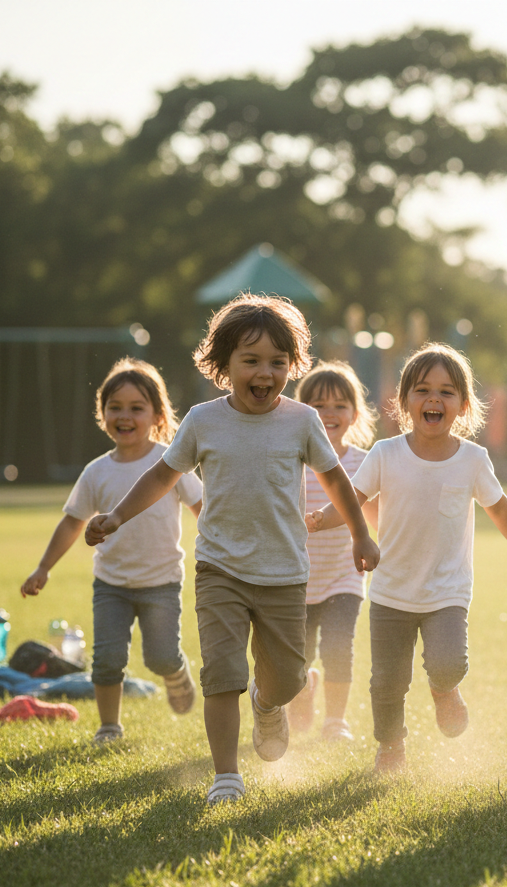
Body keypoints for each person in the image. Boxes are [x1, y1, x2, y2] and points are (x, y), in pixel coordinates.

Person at [85, 295, 378, 804]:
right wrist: (115, 516)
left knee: (287, 678)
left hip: (285, 573)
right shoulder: (203, 421)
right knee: (223, 672)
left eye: (278, 362)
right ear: (223, 366)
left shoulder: (302, 420)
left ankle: (269, 705)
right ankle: (226, 776)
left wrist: (360, 533)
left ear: (292, 365)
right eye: (251, 361)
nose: (265, 372)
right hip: (219, 568)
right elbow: (161, 475)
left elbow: (336, 480)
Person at [307, 343, 507, 772]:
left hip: (447, 591)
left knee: (449, 661)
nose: (434, 399)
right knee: (386, 682)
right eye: (422, 390)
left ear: (462, 406)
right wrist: (317, 520)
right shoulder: (385, 454)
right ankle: (391, 745)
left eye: (447, 391)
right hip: (390, 592)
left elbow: (501, 510)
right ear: (404, 403)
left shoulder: (473, 460)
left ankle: (444, 690)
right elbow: (351, 499)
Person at [21, 357, 203, 744]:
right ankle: (109, 725)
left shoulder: (171, 461)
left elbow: (203, 507)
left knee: (161, 657)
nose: (124, 415)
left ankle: (176, 675)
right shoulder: (96, 472)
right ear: (101, 414)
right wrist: (43, 567)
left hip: (161, 583)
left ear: (157, 414)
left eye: (136, 408)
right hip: (111, 585)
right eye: (114, 407)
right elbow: (72, 521)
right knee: (107, 660)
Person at [288, 360, 379, 742]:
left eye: (339, 405)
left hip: (345, 574)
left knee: (340, 646)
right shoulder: (292, 458)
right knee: (298, 656)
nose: (329, 413)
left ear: (355, 413)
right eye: (318, 405)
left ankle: (336, 720)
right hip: (296, 577)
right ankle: (303, 688)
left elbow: (375, 517)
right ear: (301, 411)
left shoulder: (362, 462)